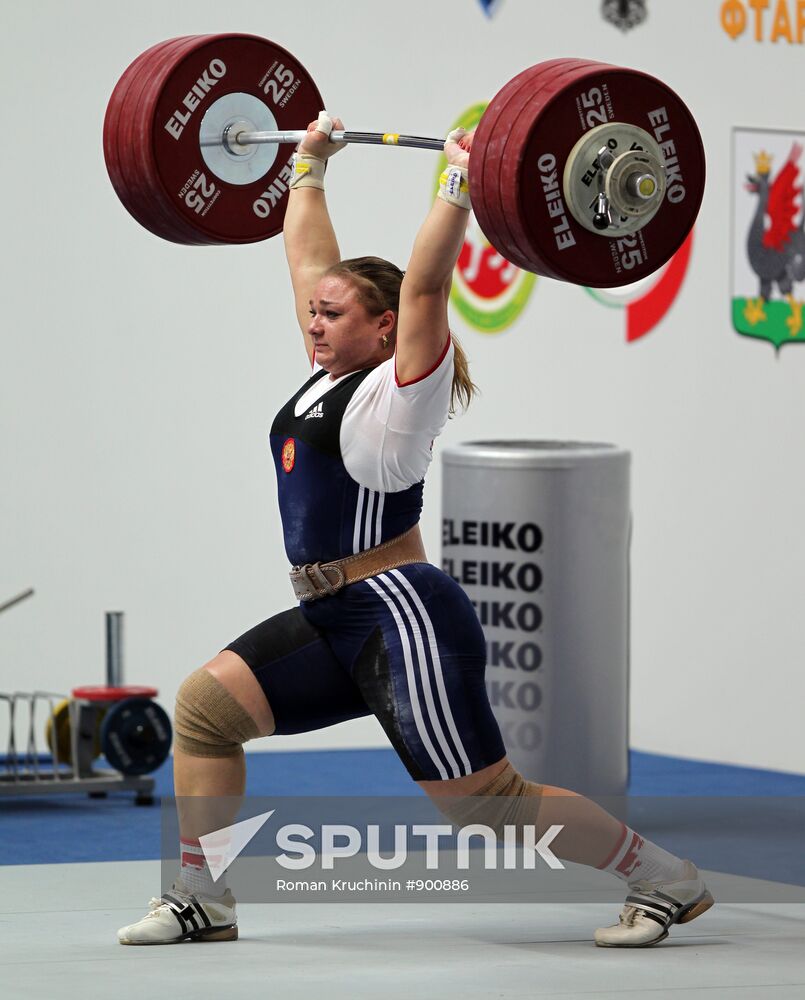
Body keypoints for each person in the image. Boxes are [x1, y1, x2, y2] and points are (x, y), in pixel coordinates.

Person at [117, 113, 713, 948]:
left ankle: (662, 878)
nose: (313, 321)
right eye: (313, 313)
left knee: (485, 803)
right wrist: (310, 166)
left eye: (331, 314)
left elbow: (427, 287)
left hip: (401, 614)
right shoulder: (323, 378)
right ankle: (203, 896)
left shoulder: (399, 398)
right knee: (206, 712)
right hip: (333, 615)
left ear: (386, 326)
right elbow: (307, 258)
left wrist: (457, 186)